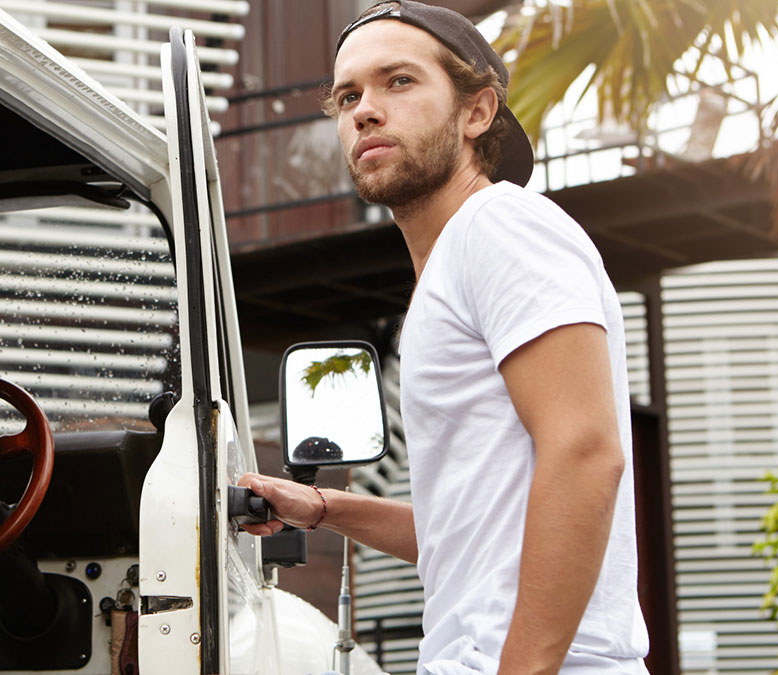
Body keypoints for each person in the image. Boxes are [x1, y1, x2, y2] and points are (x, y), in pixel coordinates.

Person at [237, 2, 651, 674]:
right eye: (348, 95)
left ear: (477, 112)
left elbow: (585, 451)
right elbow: (464, 536)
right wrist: (319, 506)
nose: (365, 109)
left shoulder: (500, 226)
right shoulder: (453, 266)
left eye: (398, 82)